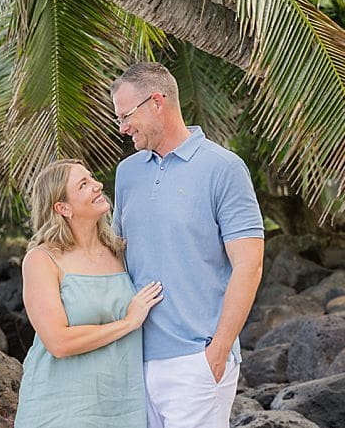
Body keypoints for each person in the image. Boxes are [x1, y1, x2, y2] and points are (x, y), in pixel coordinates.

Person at [111, 62, 265, 428]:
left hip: (195, 360)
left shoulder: (223, 168)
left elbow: (249, 265)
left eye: (126, 116)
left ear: (157, 103)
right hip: (134, 358)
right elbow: (115, 256)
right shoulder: (127, 173)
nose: (122, 128)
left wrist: (218, 352)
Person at [13, 160, 164, 428]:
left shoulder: (119, 251)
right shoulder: (42, 259)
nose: (98, 186)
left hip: (122, 405)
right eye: (84, 185)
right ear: (63, 208)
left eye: (91, 178)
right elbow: (58, 342)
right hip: (61, 409)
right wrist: (128, 322)